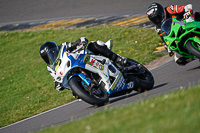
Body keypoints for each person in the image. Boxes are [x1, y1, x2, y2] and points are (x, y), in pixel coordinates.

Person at [39, 37, 127, 91]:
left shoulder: (63, 46)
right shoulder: (50, 68)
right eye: (47, 56)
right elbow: (56, 79)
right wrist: (58, 85)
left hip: (84, 57)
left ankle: (118, 59)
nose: (51, 56)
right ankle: (90, 91)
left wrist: (80, 42)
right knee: (75, 94)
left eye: (51, 52)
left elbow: (75, 43)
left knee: (94, 44)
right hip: (71, 71)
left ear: (55, 48)